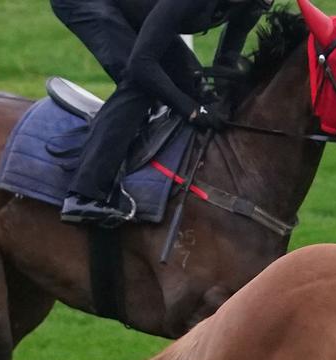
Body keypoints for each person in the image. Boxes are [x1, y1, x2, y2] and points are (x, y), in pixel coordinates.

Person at [53, 0, 269, 224]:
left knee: (195, 84)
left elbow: (227, 57)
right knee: (141, 85)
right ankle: (83, 196)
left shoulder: (254, 4)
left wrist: (217, 102)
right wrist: (192, 111)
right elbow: (141, 64)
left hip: (140, 11)